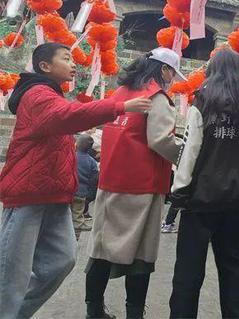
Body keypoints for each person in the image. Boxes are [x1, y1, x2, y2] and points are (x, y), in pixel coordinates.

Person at [0, 43, 151, 319]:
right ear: (45, 66)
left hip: (55, 196)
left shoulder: (51, 95)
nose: (73, 64)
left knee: (62, 260)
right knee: (12, 274)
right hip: (28, 196)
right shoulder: (37, 94)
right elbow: (66, 117)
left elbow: (66, 117)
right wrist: (120, 106)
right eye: (66, 58)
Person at [84, 48, 185, 319]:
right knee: (140, 255)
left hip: (110, 181)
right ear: (164, 70)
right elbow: (161, 140)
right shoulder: (157, 98)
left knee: (101, 249)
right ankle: (134, 314)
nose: (172, 78)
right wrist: (187, 155)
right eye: (173, 73)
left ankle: (93, 309)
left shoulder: (121, 94)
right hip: (142, 185)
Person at [169, 49, 239, 319]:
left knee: (189, 269)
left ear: (213, 70)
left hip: (201, 199)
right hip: (236, 199)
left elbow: (190, 150)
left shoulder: (204, 101)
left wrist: (179, 189)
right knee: (232, 264)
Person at [72, 134, 100, 238]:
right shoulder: (92, 162)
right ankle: (77, 229)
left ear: (77, 145)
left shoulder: (72, 156)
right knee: (77, 212)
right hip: (82, 193)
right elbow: (94, 178)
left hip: (70, 190)